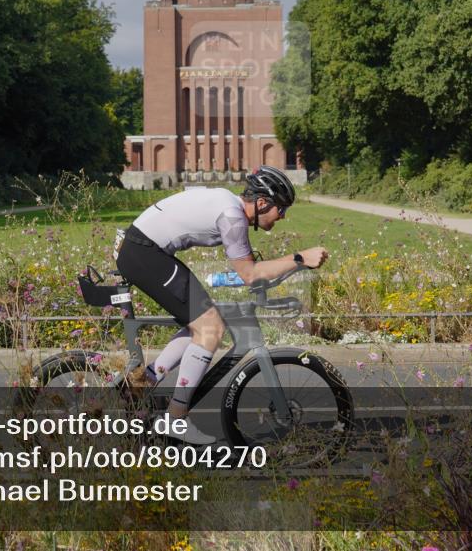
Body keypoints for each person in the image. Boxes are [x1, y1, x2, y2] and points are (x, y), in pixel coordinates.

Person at [115, 165, 329, 444]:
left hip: (145, 250)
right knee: (210, 327)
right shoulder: (232, 217)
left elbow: (250, 272)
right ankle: (175, 419)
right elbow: (250, 273)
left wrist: (297, 266)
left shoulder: (231, 209)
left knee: (203, 323)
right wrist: (299, 257)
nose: (283, 216)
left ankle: (142, 383)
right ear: (263, 203)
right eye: (282, 209)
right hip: (144, 252)